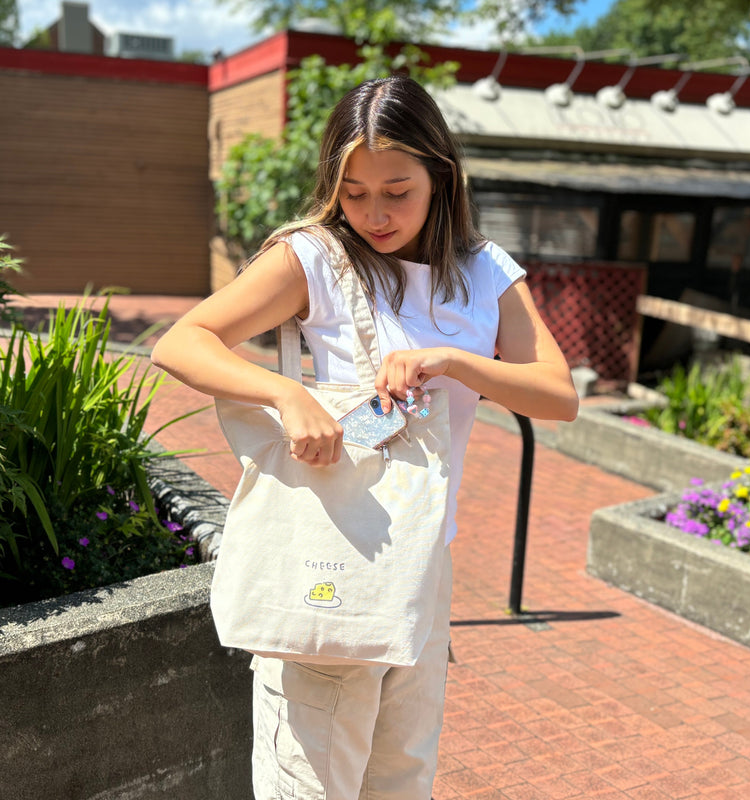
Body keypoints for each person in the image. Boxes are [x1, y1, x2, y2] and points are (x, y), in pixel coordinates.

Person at [151, 74, 578, 800]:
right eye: (354, 191)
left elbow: (558, 395)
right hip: (327, 555)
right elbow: (183, 342)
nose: (374, 212)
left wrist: (454, 362)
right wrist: (286, 394)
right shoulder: (316, 256)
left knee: (402, 780)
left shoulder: (483, 273)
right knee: (309, 786)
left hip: (421, 565)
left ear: (441, 177)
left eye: (397, 190)